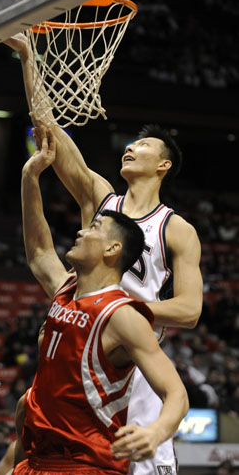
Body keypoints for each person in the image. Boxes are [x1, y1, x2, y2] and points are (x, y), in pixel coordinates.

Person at [5, 33, 203, 475]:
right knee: (34, 426)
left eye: (143, 146)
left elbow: (189, 310)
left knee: (142, 461)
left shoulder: (177, 228)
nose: (130, 147)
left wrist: (114, 313)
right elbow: (50, 133)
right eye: (130, 144)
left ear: (163, 165)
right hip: (84, 350)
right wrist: (28, 60)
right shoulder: (101, 199)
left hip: (132, 356)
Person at [11, 130, 188, 475]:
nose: (81, 230)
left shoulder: (121, 316)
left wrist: (156, 432)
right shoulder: (66, 290)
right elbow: (39, 252)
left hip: (85, 465)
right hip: (38, 462)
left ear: (112, 250)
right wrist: (29, 177)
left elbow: (176, 394)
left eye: (93, 229)